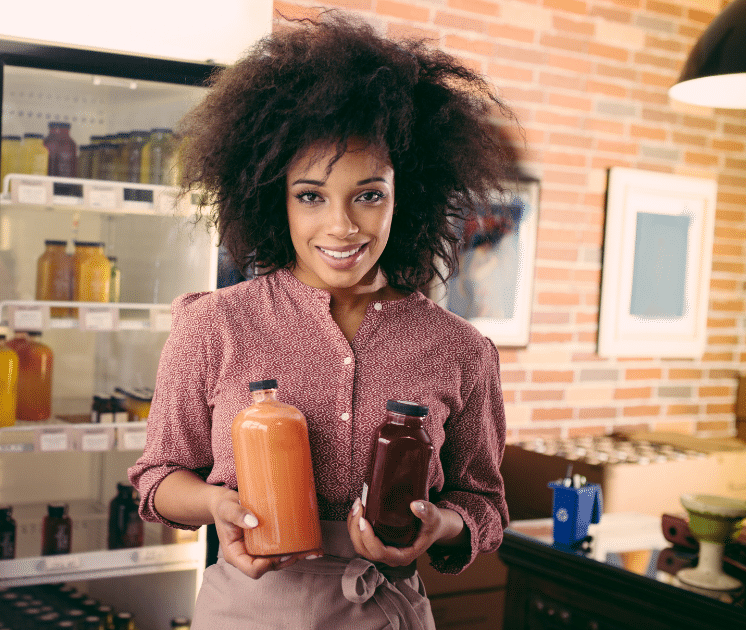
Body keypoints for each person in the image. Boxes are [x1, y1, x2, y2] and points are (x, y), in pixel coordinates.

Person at [128, 11, 519, 629]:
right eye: (310, 196)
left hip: (385, 610)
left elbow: (485, 505)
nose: (341, 226)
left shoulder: (460, 350)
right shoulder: (215, 325)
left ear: (405, 195)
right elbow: (157, 477)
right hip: (248, 612)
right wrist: (214, 504)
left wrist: (438, 527)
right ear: (273, 199)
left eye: (369, 194)